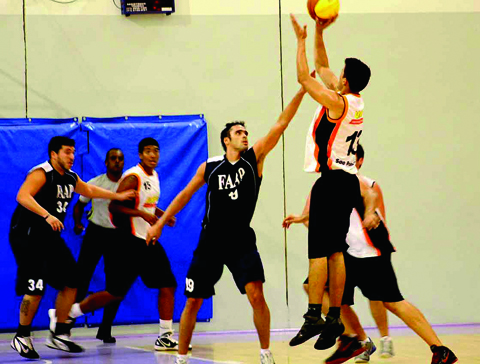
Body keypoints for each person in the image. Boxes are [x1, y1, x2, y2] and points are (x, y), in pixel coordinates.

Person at [146, 87, 308, 364]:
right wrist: (159, 223)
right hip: (211, 240)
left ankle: (265, 353)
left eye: (246, 132)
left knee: (256, 294)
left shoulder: (253, 159)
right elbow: (185, 194)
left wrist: (303, 89)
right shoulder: (210, 167)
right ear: (226, 140)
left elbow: (281, 124)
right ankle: (181, 357)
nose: (245, 135)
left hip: (241, 240)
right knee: (194, 301)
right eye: (239, 132)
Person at [284, 145, 458, 364]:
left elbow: (372, 196)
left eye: (351, 158)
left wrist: (369, 213)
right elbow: (311, 216)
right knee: (319, 290)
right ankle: (353, 339)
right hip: (345, 256)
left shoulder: (364, 182)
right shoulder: (322, 185)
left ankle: (440, 349)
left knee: (393, 302)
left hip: (371, 254)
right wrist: (301, 219)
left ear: (359, 161)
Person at [9, 136, 135, 359]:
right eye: (67, 152)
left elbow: (90, 190)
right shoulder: (41, 173)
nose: (72, 156)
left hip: (49, 236)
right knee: (35, 287)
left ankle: (58, 334)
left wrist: (117, 195)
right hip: (27, 235)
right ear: (53, 154)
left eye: (73, 152)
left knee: (73, 280)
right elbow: (22, 196)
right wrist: (47, 215)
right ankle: (21, 335)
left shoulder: (70, 177)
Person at [289, 14, 372, 351]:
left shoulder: (337, 103)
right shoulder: (355, 101)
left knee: (318, 254)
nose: (334, 74)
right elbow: (322, 66)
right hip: (348, 182)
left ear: (345, 80)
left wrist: (300, 41)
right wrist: (320, 33)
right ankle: (334, 316)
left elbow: (304, 77)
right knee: (336, 252)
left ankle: (313, 317)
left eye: (340, 73)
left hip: (332, 181)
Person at [62, 138, 182, 351]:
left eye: (156, 151)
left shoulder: (153, 175)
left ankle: (163, 335)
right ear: (140, 155)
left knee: (167, 284)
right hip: (119, 238)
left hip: (140, 239)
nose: (153, 155)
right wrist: (141, 215)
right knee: (108, 290)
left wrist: (163, 216)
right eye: (148, 151)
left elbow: (147, 205)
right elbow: (114, 207)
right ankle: (68, 316)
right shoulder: (131, 177)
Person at [70, 148, 125, 343]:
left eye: (120, 159)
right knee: (81, 280)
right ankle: (64, 325)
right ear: (106, 162)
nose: (117, 162)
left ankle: (105, 329)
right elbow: (79, 206)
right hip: (95, 233)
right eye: (113, 158)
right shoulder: (95, 183)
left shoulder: (129, 183)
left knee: (115, 287)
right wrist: (77, 223)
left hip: (118, 237)